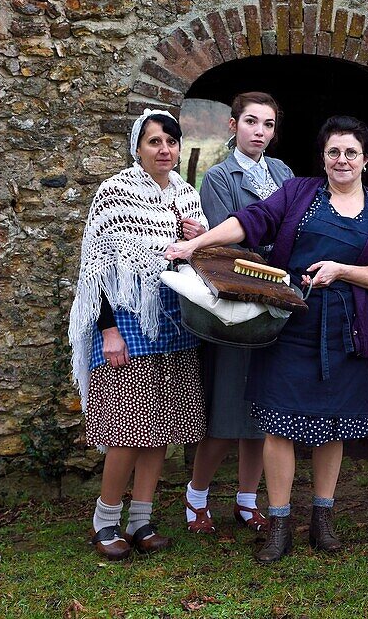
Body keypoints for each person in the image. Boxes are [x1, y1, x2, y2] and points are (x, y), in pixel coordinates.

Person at [166, 116, 368, 563]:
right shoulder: (299, 194)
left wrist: (342, 271)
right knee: (278, 425)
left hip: (348, 331)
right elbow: (251, 221)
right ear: (323, 157)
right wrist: (195, 247)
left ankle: (322, 518)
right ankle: (278, 523)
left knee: (335, 425)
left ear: (366, 160)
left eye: (351, 152)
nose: (342, 160)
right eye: (334, 151)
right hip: (290, 325)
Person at [68, 108, 209, 561]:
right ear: (137, 147)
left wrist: (198, 237)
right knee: (129, 431)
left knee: (160, 430)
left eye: (171, 141)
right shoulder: (115, 193)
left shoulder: (187, 196)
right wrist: (107, 330)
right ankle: (105, 520)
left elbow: (199, 261)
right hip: (127, 321)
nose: (164, 149)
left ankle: (141, 520)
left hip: (174, 322)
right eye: (154, 141)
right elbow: (98, 268)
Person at [183, 92, 293, 536]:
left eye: (268, 125)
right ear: (233, 126)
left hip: (275, 303)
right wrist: (268, 253)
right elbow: (227, 244)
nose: (259, 132)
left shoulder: (283, 173)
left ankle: (247, 500)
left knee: (260, 413)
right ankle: (196, 495)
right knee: (228, 411)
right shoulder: (218, 177)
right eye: (251, 122)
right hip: (238, 305)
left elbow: (294, 227)